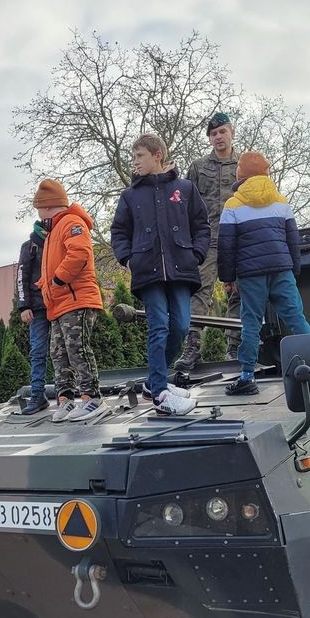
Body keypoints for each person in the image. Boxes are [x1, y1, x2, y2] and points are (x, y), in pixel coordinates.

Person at [111, 134, 209, 416]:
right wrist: (128, 258)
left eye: (139, 156)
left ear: (157, 156)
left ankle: (156, 381)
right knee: (159, 326)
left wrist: (196, 253)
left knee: (181, 325)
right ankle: (160, 393)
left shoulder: (185, 188)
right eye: (133, 157)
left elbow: (201, 225)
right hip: (147, 270)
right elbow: (119, 231)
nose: (134, 162)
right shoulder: (130, 196)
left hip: (181, 268)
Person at [218, 152, 310, 395]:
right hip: (282, 269)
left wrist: (227, 278)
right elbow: (293, 241)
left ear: (241, 173)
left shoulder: (233, 205)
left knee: (251, 324)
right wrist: (295, 268)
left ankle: (248, 377)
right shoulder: (281, 202)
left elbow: (226, 246)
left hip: (250, 275)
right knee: (296, 317)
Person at [32, 179, 106, 422]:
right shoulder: (53, 230)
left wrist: (57, 281)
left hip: (76, 300)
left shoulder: (72, 223)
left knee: (78, 349)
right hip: (59, 304)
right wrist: (46, 286)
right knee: (58, 352)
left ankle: (92, 398)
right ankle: (65, 399)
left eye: (39, 207)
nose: (38, 212)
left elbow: (79, 254)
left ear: (47, 205)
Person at [175, 112, 242, 371]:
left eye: (222, 132)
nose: (218, 137)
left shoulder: (245, 164)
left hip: (239, 239)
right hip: (208, 239)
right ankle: (192, 349)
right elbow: (185, 205)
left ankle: (235, 348)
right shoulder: (198, 166)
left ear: (232, 132)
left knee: (240, 293)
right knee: (199, 293)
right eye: (213, 134)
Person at [15, 220, 50, 414]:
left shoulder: (58, 241)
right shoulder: (29, 247)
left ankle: (65, 394)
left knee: (63, 351)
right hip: (37, 307)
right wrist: (24, 306)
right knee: (38, 351)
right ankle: (37, 394)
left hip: (59, 303)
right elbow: (22, 276)